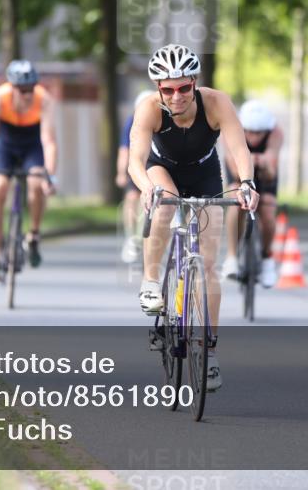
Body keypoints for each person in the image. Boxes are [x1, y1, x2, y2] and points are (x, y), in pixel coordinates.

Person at [127, 44, 259, 392]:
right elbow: (135, 162)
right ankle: (152, 282)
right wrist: (144, 188)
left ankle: (209, 352)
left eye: (184, 87)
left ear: (194, 83)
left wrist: (246, 184)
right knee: (166, 204)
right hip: (162, 170)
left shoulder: (217, 103)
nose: (177, 96)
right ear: (158, 88)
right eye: (167, 89)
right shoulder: (149, 109)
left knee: (209, 264)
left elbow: (238, 148)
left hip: (204, 173)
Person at [0, 60, 58, 281]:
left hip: (32, 145)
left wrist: (49, 175)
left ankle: (33, 234)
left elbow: (49, 141)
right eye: (22, 90)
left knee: (36, 183)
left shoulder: (44, 100)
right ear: (11, 87)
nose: (27, 94)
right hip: (5, 145)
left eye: (31, 88)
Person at [222, 99, 282, 288]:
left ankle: (266, 257)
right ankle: (231, 256)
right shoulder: (231, 129)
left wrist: (264, 163)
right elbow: (232, 162)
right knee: (235, 201)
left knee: (268, 207)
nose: (254, 137)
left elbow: (272, 165)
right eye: (249, 131)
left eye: (259, 133)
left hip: (264, 173)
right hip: (239, 172)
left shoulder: (276, 133)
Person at [116, 91, 155, 263]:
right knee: (131, 197)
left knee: (147, 197)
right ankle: (131, 237)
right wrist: (121, 172)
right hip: (137, 163)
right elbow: (124, 149)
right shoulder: (131, 122)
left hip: (155, 164)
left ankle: (143, 236)